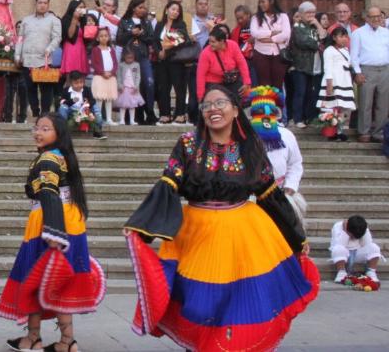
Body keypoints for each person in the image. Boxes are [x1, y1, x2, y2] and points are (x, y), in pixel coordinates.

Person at [123, 84, 318, 351]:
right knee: (199, 304)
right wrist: (141, 226)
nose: (212, 109)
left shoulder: (250, 148)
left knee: (237, 303)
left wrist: (297, 236)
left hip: (241, 235)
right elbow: (168, 183)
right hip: (196, 234)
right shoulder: (188, 144)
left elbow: (270, 194)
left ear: (236, 110)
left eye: (220, 103)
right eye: (206, 105)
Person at [0, 112, 104, 352]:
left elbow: (48, 193)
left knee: (34, 280)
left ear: (58, 133)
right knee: (60, 283)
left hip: (51, 222)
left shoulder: (48, 159)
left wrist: (54, 232)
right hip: (70, 222)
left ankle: (33, 339)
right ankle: (67, 341)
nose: (38, 132)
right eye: (36, 128)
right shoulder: (62, 156)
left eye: (45, 129)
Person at [246, 86, 307, 224]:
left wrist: (290, 187)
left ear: (275, 113)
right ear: (252, 113)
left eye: (268, 111)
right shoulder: (243, 135)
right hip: (249, 196)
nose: (265, 116)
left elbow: (295, 163)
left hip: (280, 194)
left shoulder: (286, 135)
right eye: (259, 112)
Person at [17, 0, 62, 118]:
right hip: (27, 60)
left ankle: (45, 114)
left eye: (45, 3)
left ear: (48, 5)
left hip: (44, 60)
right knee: (30, 89)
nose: (42, 5)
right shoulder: (26, 20)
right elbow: (20, 38)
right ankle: (35, 112)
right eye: (40, 2)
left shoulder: (54, 20)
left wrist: (50, 48)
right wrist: (17, 55)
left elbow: (57, 37)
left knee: (46, 90)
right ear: (36, 4)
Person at [349, 7, 389, 143]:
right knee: (365, 102)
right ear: (366, 18)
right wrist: (357, 72)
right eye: (373, 16)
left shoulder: (386, 33)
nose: (376, 19)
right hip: (367, 70)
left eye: (378, 16)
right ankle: (364, 131)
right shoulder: (358, 33)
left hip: (385, 70)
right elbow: (354, 55)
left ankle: (378, 132)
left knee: (383, 104)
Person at [116, 0, 157, 125]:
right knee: (130, 86)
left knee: (149, 83)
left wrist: (141, 35)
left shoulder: (146, 23)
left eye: (144, 7)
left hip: (143, 57)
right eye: (140, 7)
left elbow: (152, 39)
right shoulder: (124, 21)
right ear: (133, 8)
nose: (143, 9)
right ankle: (131, 116)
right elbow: (119, 40)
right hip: (128, 58)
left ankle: (149, 112)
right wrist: (131, 33)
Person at [152, 1, 193, 124]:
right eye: (173, 9)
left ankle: (180, 114)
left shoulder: (181, 24)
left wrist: (170, 46)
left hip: (176, 60)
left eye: (177, 10)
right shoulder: (159, 25)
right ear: (167, 10)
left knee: (179, 87)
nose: (175, 12)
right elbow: (154, 40)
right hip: (162, 60)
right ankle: (165, 113)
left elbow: (184, 39)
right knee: (163, 87)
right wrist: (159, 51)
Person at [288, 1, 326, 128]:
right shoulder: (298, 27)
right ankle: (297, 118)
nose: (311, 15)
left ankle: (309, 118)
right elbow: (304, 42)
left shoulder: (314, 26)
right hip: (301, 66)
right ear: (301, 14)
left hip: (314, 66)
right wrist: (317, 43)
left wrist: (317, 24)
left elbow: (324, 37)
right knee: (300, 92)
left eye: (313, 12)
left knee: (311, 93)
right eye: (308, 12)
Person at [319, 27, 357, 141]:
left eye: (346, 36)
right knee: (332, 107)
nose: (344, 39)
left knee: (343, 108)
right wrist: (329, 84)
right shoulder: (329, 50)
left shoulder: (345, 50)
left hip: (344, 81)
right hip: (334, 81)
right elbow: (328, 68)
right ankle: (331, 132)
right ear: (334, 38)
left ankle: (341, 131)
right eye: (341, 36)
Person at [250, 0, 291, 89]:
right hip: (261, 54)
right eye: (260, 2)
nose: (261, 4)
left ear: (271, 1)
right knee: (264, 85)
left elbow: (286, 34)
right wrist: (272, 33)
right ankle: (266, 104)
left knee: (277, 85)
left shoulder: (283, 16)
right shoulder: (256, 18)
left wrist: (270, 39)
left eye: (263, 2)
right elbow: (255, 33)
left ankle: (277, 104)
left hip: (278, 54)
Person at [196, 27, 251, 99]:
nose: (210, 44)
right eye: (209, 41)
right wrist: (200, 95)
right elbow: (200, 75)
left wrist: (247, 82)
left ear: (222, 41)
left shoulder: (233, 45)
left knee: (239, 96)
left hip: (231, 80)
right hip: (213, 83)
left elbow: (242, 64)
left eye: (213, 42)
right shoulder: (205, 53)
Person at [331, 215, 383, 283]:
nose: (354, 238)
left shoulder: (363, 227)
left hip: (358, 253)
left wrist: (361, 235)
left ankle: (371, 272)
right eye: (353, 236)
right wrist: (345, 232)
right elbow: (339, 244)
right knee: (338, 249)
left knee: (374, 247)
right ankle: (341, 272)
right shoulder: (337, 226)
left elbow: (367, 244)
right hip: (343, 255)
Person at [58, 71, 106, 139]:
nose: (79, 85)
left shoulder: (86, 89)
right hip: (71, 112)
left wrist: (88, 103)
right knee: (62, 108)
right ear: (71, 83)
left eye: (81, 82)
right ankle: (62, 132)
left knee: (96, 107)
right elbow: (61, 102)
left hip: (84, 111)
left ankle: (97, 131)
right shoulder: (66, 90)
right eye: (76, 83)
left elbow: (93, 100)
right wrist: (72, 101)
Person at [90, 28, 118, 125]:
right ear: (97, 38)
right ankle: (99, 119)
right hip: (100, 76)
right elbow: (94, 63)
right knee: (100, 98)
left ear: (109, 37)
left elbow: (115, 63)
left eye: (106, 36)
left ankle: (109, 119)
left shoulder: (112, 50)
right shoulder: (95, 50)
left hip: (110, 77)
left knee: (109, 98)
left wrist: (112, 72)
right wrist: (102, 72)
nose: (104, 38)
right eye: (101, 36)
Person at [59, 0, 89, 80]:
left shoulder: (83, 20)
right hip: (71, 48)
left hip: (81, 49)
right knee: (71, 77)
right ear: (73, 8)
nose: (82, 9)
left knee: (81, 77)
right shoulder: (66, 19)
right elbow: (70, 35)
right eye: (80, 7)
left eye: (84, 7)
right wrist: (74, 19)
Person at [230, 4, 258, 85]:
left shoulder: (257, 26)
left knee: (255, 85)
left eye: (242, 18)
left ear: (248, 15)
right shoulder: (235, 31)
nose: (240, 21)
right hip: (243, 61)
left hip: (256, 60)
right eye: (237, 18)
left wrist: (255, 40)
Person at [114, 48, 143, 125]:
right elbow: (118, 76)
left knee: (132, 105)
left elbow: (138, 76)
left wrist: (136, 86)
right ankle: (122, 120)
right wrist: (120, 86)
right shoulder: (121, 65)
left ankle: (132, 120)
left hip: (133, 89)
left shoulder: (136, 65)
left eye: (132, 58)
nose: (130, 59)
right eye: (128, 58)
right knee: (122, 105)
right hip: (124, 89)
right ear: (124, 57)